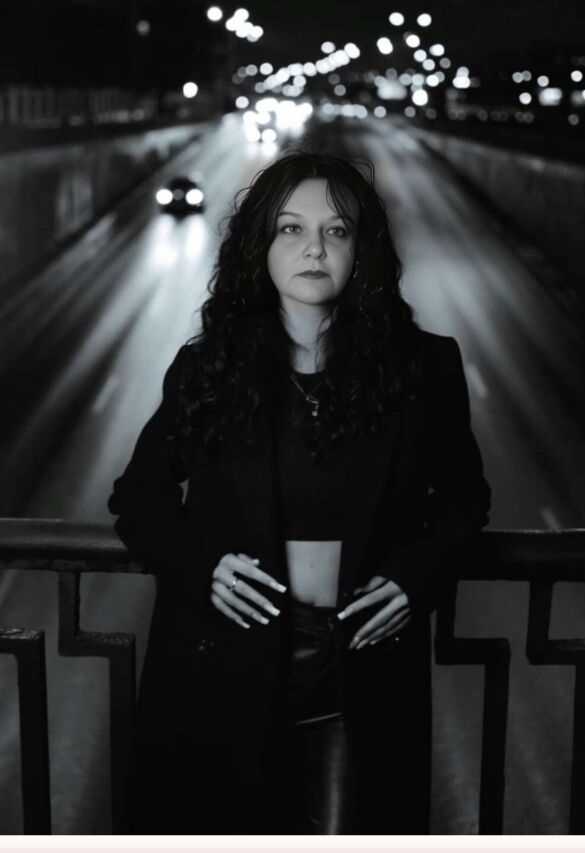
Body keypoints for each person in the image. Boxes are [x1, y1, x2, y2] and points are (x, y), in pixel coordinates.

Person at [108, 150, 491, 834]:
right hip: (228, 655)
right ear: (260, 245)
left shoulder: (423, 368)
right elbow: (138, 498)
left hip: (360, 660)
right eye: (291, 228)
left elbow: (466, 501)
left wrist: (416, 579)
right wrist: (202, 568)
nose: (314, 248)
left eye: (336, 230)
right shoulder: (210, 368)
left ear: (362, 250)